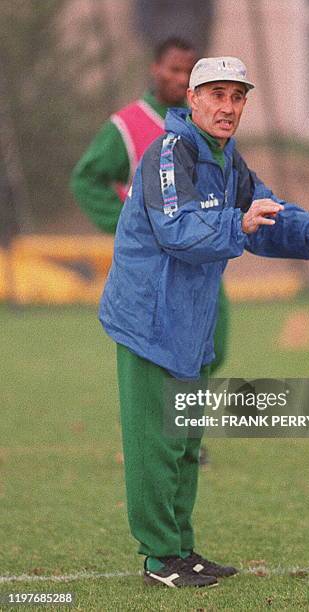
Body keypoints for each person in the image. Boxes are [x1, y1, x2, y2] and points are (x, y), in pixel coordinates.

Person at [99, 56, 309, 588]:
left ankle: (182, 549)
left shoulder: (225, 158)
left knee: (182, 441)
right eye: (216, 94)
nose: (227, 106)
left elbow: (263, 214)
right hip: (149, 321)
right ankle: (159, 560)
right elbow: (177, 229)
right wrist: (236, 221)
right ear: (193, 100)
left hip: (189, 321)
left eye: (237, 96)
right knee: (156, 446)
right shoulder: (169, 154)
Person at [70, 38, 226, 465]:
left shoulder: (202, 126)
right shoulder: (126, 124)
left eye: (188, 71)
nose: (179, 78)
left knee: (212, 345)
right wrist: (127, 224)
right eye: (173, 69)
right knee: (160, 360)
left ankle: (182, 438)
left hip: (201, 259)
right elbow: (87, 180)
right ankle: (162, 442)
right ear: (155, 70)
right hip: (155, 271)